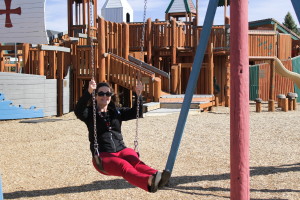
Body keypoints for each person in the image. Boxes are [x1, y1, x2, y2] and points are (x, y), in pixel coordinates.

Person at [74, 80, 168, 193]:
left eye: (108, 94)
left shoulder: (116, 112)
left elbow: (136, 113)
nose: (105, 96)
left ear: (111, 96)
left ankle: (158, 176)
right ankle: (148, 181)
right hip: (103, 155)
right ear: (95, 96)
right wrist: (88, 92)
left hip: (122, 150)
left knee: (135, 161)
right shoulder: (89, 114)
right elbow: (78, 111)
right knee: (124, 165)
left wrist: (138, 95)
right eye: (101, 93)